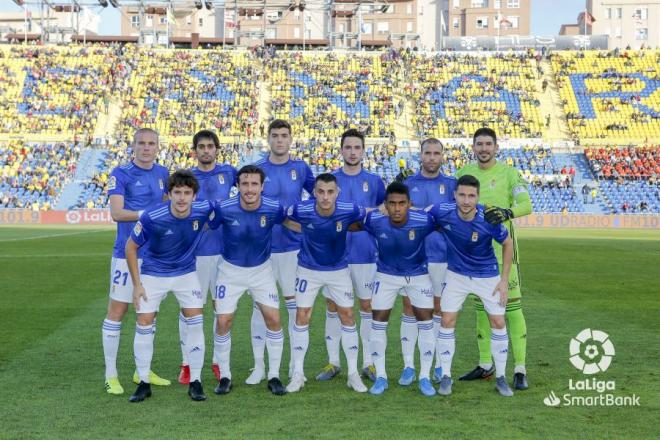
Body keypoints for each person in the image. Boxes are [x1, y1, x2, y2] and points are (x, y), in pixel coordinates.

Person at [126, 170, 214, 402]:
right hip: (154, 274)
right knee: (144, 322)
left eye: (187, 193)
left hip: (186, 273)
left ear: (195, 196)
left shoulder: (204, 210)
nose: (182, 197)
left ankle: (195, 381)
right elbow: (130, 247)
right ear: (169, 194)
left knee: (195, 322)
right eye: (177, 192)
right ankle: (143, 382)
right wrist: (137, 285)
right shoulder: (152, 216)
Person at [455, 127, 532, 390]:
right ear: (473, 147)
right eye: (479, 144)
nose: (484, 148)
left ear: (496, 147)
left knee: (511, 309)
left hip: (503, 254)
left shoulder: (509, 173)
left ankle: (520, 369)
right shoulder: (464, 174)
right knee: (481, 309)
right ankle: (485, 364)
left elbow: (526, 205)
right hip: (473, 257)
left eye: (489, 144)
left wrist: (505, 212)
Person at [429, 175, 515, 397]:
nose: (466, 200)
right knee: (447, 320)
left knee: (497, 321)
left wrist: (504, 280)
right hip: (456, 274)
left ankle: (501, 377)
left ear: (478, 197)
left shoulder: (489, 217)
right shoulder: (442, 211)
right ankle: (446, 376)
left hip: (487, 276)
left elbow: (507, 244)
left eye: (471, 196)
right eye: (462, 195)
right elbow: (419, 217)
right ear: (455, 195)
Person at [285, 173, 369, 393]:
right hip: (308, 269)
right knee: (302, 316)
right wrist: (304, 229)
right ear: (314, 192)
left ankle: (352, 373)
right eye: (320, 191)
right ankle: (298, 374)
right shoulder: (301, 210)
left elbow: (365, 219)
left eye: (330, 192)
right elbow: (282, 218)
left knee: (348, 316)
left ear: (337, 193)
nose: (325, 197)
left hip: (338, 270)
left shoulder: (348, 209)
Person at [102, 128, 170, 395]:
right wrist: (149, 214)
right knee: (117, 312)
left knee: (148, 315)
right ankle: (111, 374)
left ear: (157, 147)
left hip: (154, 257)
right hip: (126, 254)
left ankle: (142, 370)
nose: (146, 147)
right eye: (141, 143)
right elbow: (117, 213)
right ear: (133, 146)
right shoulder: (120, 174)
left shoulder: (164, 174)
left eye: (151, 143)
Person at [211, 165, 290, 396]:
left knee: (274, 319)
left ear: (262, 186)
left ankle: (274, 375)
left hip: (261, 270)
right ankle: (225, 376)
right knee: (223, 321)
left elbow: (291, 222)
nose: (249, 189)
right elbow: (206, 225)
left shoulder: (274, 207)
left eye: (254, 184)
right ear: (237, 186)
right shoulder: (224, 208)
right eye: (244, 184)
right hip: (229, 270)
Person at [249, 120, 315, 384]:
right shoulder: (257, 170)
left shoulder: (300, 168)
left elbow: (322, 197)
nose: (279, 140)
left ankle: (294, 365)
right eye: (275, 136)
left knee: (293, 307)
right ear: (268, 139)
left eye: (284, 136)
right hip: (261, 250)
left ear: (291, 139)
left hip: (292, 249)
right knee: (259, 309)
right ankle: (259, 366)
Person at [317, 129, 385, 383]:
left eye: (357, 147)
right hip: (335, 255)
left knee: (367, 306)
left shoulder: (375, 181)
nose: (353, 152)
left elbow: (382, 211)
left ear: (363, 150)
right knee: (333, 306)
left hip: (366, 253)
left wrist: (365, 213)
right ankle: (333, 362)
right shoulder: (330, 180)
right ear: (341, 150)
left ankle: (368, 362)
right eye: (348, 147)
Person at [359, 182, 439, 397]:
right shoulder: (375, 221)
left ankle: (424, 376)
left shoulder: (424, 221)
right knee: (378, 324)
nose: (396, 208)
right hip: (385, 276)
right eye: (392, 203)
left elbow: (447, 221)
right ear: (385, 205)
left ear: (409, 204)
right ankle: (382, 377)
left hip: (419, 276)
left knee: (426, 325)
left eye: (401, 203)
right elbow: (352, 222)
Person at [178, 130, 237, 385]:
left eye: (210, 146)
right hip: (196, 255)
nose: (206, 150)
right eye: (201, 146)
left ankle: (217, 361)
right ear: (195, 150)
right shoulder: (187, 178)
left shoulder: (230, 173)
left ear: (217, 149)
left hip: (225, 254)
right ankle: (188, 364)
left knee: (222, 309)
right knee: (191, 310)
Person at [403, 138, 457, 384]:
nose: (432, 157)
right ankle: (408, 366)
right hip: (412, 258)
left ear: (442, 156)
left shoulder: (452, 185)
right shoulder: (407, 184)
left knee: (438, 310)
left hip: (443, 258)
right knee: (410, 309)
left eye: (437, 153)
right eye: (428, 153)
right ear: (420, 155)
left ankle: (436, 365)